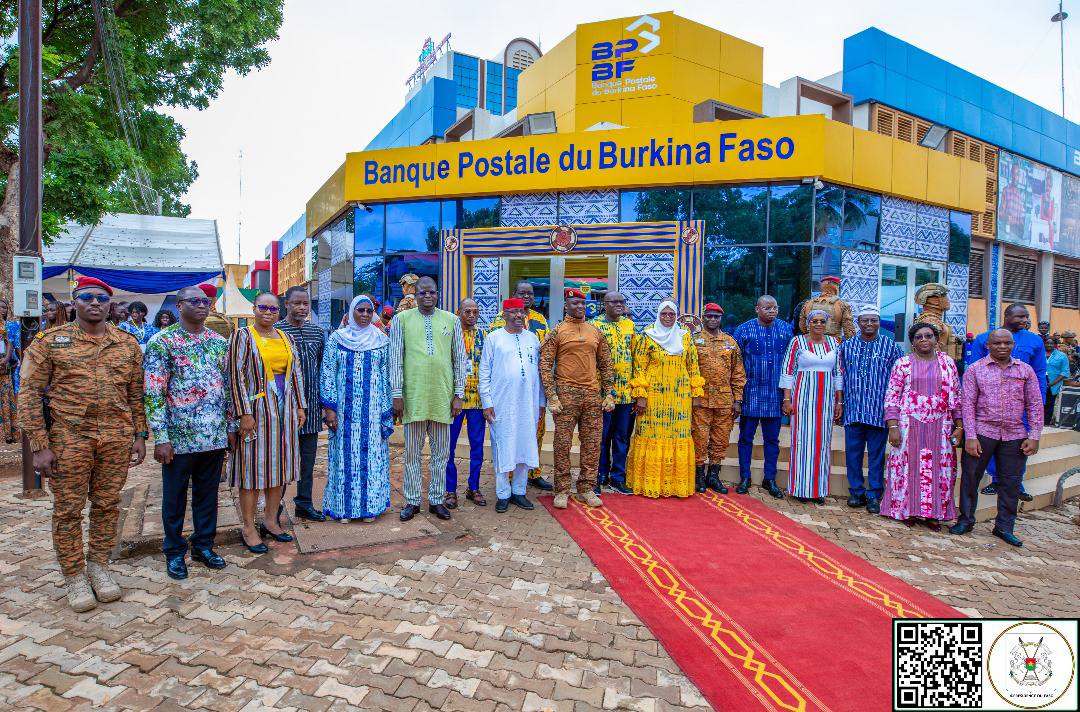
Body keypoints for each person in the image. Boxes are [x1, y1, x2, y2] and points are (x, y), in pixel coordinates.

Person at [17, 276, 147, 611]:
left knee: (107, 506)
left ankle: (99, 567)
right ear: (74, 302)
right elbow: (29, 395)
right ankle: (74, 575)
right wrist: (39, 446)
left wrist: (140, 434)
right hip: (69, 440)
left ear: (110, 303)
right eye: (86, 297)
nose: (94, 303)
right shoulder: (50, 342)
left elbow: (135, 394)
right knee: (68, 511)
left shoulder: (127, 343)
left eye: (101, 298)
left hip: (116, 439)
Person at [143, 286, 235, 580]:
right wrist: (161, 437)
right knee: (175, 499)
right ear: (179, 305)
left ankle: (203, 546)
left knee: (208, 496)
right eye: (194, 301)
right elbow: (154, 393)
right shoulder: (162, 343)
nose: (201, 306)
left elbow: (229, 388)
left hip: (213, 435)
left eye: (205, 302)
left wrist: (231, 427)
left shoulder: (219, 343)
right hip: (178, 439)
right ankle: (174, 552)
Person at [227, 291, 306, 554]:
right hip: (256, 410)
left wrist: (300, 406)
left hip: (284, 411)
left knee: (279, 468)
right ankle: (249, 527)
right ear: (254, 308)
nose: (268, 313)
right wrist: (243, 413)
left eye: (273, 309)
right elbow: (235, 376)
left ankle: (271, 521)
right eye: (263, 307)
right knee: (251, 470)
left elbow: (295, 373)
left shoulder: (285, 336)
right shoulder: (243, 336)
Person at [950, 329, 1043, 546]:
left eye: (1007, 343)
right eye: (997, 343)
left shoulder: (1025, 370)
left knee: (1011, 482)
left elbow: (1035, 404)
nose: (1003, 347)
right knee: (971, 478)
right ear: (988, 346)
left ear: (1013, 345)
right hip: (983, 433)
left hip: (1015, 434)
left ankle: (1004, 527)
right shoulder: (975, 370)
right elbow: (968, 405)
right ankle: (966, 520)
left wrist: (1035, 435)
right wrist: (970, 436)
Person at [389, 276, 467, 522]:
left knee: (441, 453)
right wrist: (397, 395)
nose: (427, 297)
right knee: (411, 452)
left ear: (437, 293)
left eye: (431, 292)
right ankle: (412, 501)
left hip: (442, 397)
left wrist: (458, 394)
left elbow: (459, 360)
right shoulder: (401, 320)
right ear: (415, 295)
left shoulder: (452, 321)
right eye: (422, 293)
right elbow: (395, 359)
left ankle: (436, 499)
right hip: (413, 396)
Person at [881, 322, 963, 530]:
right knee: (908, 469)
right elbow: (892, 396)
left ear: (937, 340)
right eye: (919, 337)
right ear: (913, 342)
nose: (924, 340)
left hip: (941, 426)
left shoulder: (948, 363)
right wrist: (893, 427)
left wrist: (959, 426)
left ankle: (934, 514)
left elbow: (956, 396)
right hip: (908, 425)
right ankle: (908, 510)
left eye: (928, 336)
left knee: (938, 471)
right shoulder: (902, 364)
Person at [320, 295, 393, 523]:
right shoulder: (337, 339)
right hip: (344, 412)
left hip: (372, 412)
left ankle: (370, 507)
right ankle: (344, 509)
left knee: (371, 457)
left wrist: (386, 410)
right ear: (352, 311)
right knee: (344, 458)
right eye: (360, 310)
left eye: (368, 311)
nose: (364, 314)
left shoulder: (381, 340)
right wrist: (330, 408)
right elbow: (328, 373)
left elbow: (386, 376)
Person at [540, 288, 615, 508]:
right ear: (566, 305)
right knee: (562, 444)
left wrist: (609, 391)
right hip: (565, 394)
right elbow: (545, 364)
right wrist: (551, 395)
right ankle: (562, 489)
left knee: (592, 444)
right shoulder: (557, 331)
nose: (579, 307)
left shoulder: (595, 331)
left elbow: (606, 363)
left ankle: (586, 488)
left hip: (592, 395)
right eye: (574, 303)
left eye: (582, 304)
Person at [626, 300, 703, 498]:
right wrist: (640, 396)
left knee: (678, 434)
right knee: (650, 432)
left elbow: (693, 365)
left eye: (671, 314)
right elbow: (639, 366)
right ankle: (649, 483)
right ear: (658, 315)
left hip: (680, 396)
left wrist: (696, 393)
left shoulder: (685, 337)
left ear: (676, 316)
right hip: (653, 395)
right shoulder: (647, 335)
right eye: (664, 314)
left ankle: (676, 485)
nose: (667, 318)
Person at [970, 304, 1046, 499]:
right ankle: (996, 480)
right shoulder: (983, 339)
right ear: (1007, 316)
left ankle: (1016, 482)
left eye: (1026, 316)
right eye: (1020, 316)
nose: (1025, 320)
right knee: (989, 444)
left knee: (1020, 445)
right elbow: (973, 372)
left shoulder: (1035, 341)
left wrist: (1040, 400)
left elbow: (1038, 373)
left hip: (1019, 405)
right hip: (988, 408)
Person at [480, 298, 546, 513]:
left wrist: (541, 403)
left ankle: (519, 491)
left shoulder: (533, 339)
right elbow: (484, 373)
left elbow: (540, 373)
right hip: (502, 404)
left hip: (528, 403)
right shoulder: (494, 338)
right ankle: (503, 494)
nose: (519, 315)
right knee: (503, 447)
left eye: (521, 312)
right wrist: (487, 402)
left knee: (524, 446)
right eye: (514, 312)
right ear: (505, 314)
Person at [838, 306, 903, 513]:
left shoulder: (890, 347)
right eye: (865, 320)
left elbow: (899, 378)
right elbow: (839, 376)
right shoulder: (846, 346)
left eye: (873, 320)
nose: (869, 324)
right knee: (853, 454)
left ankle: (874, 494)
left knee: (876, 455)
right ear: (858, 321)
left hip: (878, 411)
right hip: (854, 410)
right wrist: (839, 403)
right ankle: (856, 491)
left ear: (878, 322)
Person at [490, 279, 551, 491]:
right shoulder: (500, 322)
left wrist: (544, 396)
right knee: (507, 439)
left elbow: (545, 354)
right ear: (514, 294)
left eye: (530, 293)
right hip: (505, 396)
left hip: (531, 395)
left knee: (533, 435)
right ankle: (505, 482)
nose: (527, 297)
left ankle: (532, 474)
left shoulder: (540, 321)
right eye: (522, 293)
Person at [275, 286, 327, 522]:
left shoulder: (317, 332)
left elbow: (322, 369)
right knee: (282, 461)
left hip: (312, 407)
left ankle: (304, 503)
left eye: (305, 303)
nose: (302, 308)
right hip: (284, 408)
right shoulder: (276, 332)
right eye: (297, 303)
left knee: (308, 460)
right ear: (287, 304)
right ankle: (273, 511)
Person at [780, 309, 843, 503]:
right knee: (802, 442)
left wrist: (839, 401)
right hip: (803, 398)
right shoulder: (797, 342)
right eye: (814, 321)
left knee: (823, 443)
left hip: (826, 400)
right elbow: (787, 371)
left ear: (827, 324)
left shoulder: (835, 343)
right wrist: (787, 399)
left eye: (822, 321)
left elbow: (838, 374)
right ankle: (800, 488)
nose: (818, 324)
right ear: (808, 323)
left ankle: (818, 490)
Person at [732, 295, 791, 499]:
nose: (771, 311)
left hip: (775, 395)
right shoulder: (743, 330)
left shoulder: (786, 330)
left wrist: (787, 396)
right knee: (745, 438)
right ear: (757, 308)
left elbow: (790, 365)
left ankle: (770, 479)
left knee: (772, 440)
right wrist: (737, 397)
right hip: (750, 394)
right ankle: (745, 477)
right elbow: (736, 364)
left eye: (774, 307)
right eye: (767, 307)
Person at [691, 303, 746, 494]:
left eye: (716, 316)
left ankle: (713, 475)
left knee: (721, 439)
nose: (713, 319)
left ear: (721, 319)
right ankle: (698, 476)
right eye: (709, 316)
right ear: (703, 318)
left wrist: (737, 400)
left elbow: (738, 373)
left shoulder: (730, 343)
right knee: (699, 438)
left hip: (724, 400)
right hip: (700, 400)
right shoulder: (693, 341)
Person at [589, 291, 636, 495]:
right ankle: (599, 476)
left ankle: (618, 478)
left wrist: (637, 390)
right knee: (601, 436)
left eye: (622, 301)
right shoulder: (594, 326)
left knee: (621, 436)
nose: (619, 304)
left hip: (625, 393)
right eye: (614, 301)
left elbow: (636, 356)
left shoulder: (629, 325)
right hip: (603, 393)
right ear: (604, 304)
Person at [446, 298, 487, 507]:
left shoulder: (484, 335)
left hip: (478, 401)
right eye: (467, 311)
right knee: (448, 447)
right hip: (455, 401)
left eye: (475, 311)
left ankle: (474, 487)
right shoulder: (450, 335)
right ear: (458, 312)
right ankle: (450, 491)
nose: (471, 315)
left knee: (477, 447)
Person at [798, 276, 855, 342]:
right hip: (833, 344)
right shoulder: (842, 304)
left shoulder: (808, 303)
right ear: (836, 287)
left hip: (811, 343)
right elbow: (849, 331)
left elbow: (802, 326)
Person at [913, 283, 956, 357]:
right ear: (934, 301)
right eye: (944, 296)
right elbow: (928, 351)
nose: (948, 300)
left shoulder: (935, 320)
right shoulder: (929, 321)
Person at [1044, 336, 1070, 426]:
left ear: (1055, 345)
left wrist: (1052, 383)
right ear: (1044, 343)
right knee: (1039, 402)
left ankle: (1046, 422)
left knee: (1050, 403)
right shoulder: (1039, 354)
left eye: (1051, 343)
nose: (1049, 345)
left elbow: (1065, 372)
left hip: (1054, 382)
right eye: (1047, 343)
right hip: (1040, 381)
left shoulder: (1062, 356)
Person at [0, 319, 15, 443]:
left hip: (4, 367)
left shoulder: (8, 326)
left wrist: (6, 360)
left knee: (6, 399)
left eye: (5, 307)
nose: (2, 310)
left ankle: (8, 434)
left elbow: (10, 343)